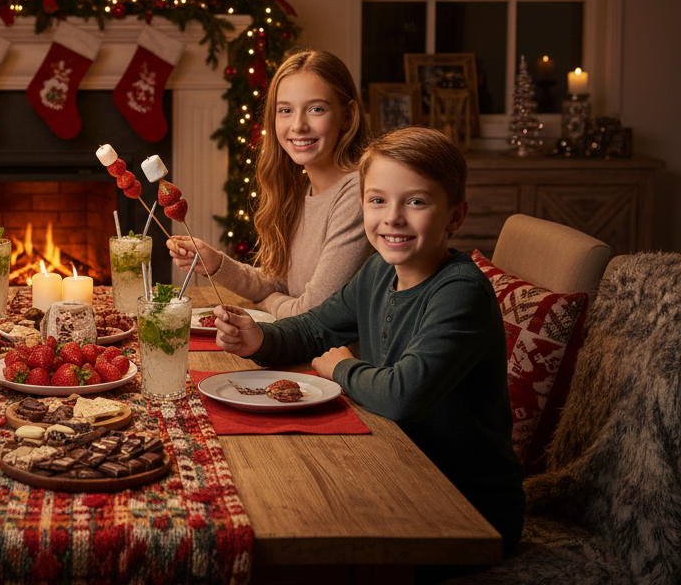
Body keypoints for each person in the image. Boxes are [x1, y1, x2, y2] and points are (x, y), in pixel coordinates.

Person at [212, 127, 524, 557]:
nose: (392, 217)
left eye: (415, 201)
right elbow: (314, 328)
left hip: (466, 507)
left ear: (455, 216)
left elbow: (402, 395)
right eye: (378, 200)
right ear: (363, 205)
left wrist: (341, 368)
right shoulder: (378, 271)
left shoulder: (460, 292)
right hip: (399, 472)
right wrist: (259, 337)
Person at [168, 49, 373, 317]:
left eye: (316, 109)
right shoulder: (301, 190)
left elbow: (314, 313)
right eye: (286, 110)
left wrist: (269, 303)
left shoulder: (358, 195)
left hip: (335, 356)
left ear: (347, 116)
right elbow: (279, 282)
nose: (298, 125)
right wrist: (216, 262)